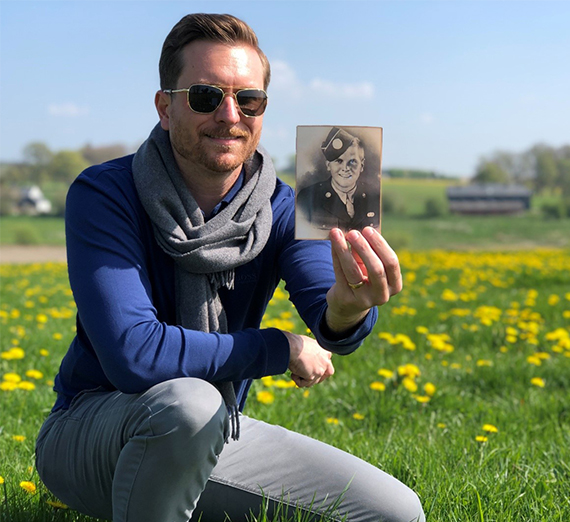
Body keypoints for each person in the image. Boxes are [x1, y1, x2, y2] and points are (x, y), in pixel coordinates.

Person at [35, 13, 425, 522]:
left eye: (249, 99)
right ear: (165, 108)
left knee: (394, 513)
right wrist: (277, 347)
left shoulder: (284, 206)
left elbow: (328, 312)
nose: (229, 113)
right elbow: (134, 354)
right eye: (204, 96)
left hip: (216, 429)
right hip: (89, 431)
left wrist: (347, 309)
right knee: (190, 405)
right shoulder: (105, 193)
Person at [296, 127, 380, 232]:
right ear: (328, 165)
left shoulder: (375, 198)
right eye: (339, 161)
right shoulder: (307, 198)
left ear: (361, 165)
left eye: (352, 161)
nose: (345, 168)